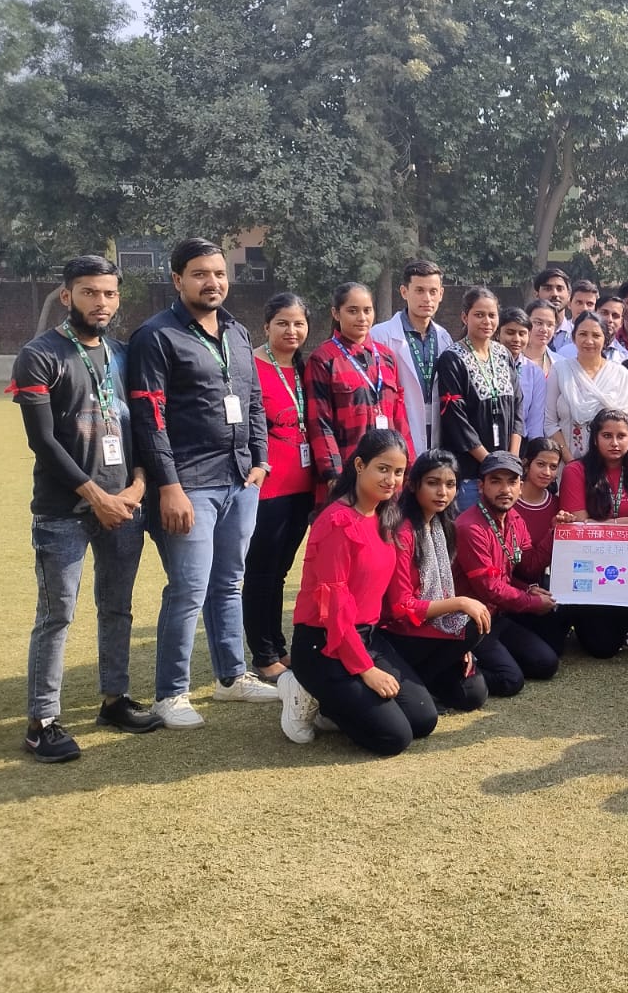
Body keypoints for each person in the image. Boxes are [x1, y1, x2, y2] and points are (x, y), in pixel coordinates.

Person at [11, 255, 160, 761]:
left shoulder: (122, 354)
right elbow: (44, 443)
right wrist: (95, 496)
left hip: (124, 506)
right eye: (90, 292)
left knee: (117, 607)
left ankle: (114, 700)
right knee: (57, 615)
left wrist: (137, 487)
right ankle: (42, 721)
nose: (101, 302)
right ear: (66, 295)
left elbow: (139, 429)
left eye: (109, 293)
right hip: (64, 511)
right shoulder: (40, 355)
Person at [127, 237, 278, 727]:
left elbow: (253, 400)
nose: (212, 282)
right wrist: (168, 486)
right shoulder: (157, 336)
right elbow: (150, 418)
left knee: (229, 583)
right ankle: (170, 694)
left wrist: (259, 461)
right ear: (177, 280)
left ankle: (231, 679)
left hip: (240, 480)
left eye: (218, 273)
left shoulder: (236, 331)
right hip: (189, 483)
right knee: (189, 588)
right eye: (199, 274)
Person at [277, 429, 437, 753]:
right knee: (394, 738)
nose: (391, 479)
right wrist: (366, 670)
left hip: (367, 636)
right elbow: (334, 609)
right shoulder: (337, 521)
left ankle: (334, 704)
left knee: (422, 720)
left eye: (398, 472)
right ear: (360, 465)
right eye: (383, 468)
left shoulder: (386, 516)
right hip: (324, 643)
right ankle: (301, 688)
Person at [377, 450, 493, 715]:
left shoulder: (443, 525)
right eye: (433, 483)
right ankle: (416, 680)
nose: (442, 492)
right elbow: (400, 606)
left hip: (429, 629)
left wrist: (459, 647)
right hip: (398, 631)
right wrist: (461, 606)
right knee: (475, 623)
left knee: (473, 694)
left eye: (450, 485)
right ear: (414, 484)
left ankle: (422, 678)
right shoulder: (403, 530)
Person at [243, 292, 317, 682]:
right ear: (267, 325)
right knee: (261, 570)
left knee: (281, 571)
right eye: (283, 323)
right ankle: (263, 653)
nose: (292, 330)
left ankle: (278, 646)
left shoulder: (306, 368)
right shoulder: (251, 366)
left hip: (303, 485)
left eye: (299, 323)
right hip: (267, 486)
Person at [556, 408, 628, 657]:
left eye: (622, 436)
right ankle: (576, 613)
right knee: (602, 648)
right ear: (595, 438)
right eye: (607, 435)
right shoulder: (576, 471)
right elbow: (581, 526)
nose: (615, 443)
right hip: (588, 565)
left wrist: (617, 524)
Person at [454, 452, 565, 695]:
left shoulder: (514, 518)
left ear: (520, 486)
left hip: (498, 616)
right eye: (496, 481)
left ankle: (485, 660)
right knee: (510, 681)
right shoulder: (469, 527)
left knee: (546, 663)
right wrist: (533, 602)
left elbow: (527, 566)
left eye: (512, 482)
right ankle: (450, 665)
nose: (505, 489)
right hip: (470, 622)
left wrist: (554, 532)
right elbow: (489, 587)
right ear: (481, 486)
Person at [306, 282, 416, 494]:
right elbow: (320, 424)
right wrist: (333, 474)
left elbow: (399, 415)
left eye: (367, 310)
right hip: (348, 473)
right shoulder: (323, 359)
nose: (362, 318)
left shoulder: (386, 357)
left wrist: (410, 466)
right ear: (336, 314)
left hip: (389, 475)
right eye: (352, 311)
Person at [437, 286, 524, 507]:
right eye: (479, 315)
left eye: (492, 315)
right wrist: (490, 463)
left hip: (505, 473)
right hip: (471, 472)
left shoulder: (502, 353)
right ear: (465, 317)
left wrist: (510, 461)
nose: (487, 321)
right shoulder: (452, 358)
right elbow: (456, 420)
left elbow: (517, 406)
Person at [372, 259, 453, 453]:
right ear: (404, 292)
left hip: (437, 432)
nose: (427, 298)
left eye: (433, 291)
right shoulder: (381, 335)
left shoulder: (444, 337)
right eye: (419, 290)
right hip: (398, 430)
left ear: (441, 294)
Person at [545, 311, 628, 460]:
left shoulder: (619, 374)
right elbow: (550, 423)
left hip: (612, 463)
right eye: (583, 334)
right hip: (568, 464)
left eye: (596, 335)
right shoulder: (560, 370)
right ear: (573, 337)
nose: (589, 341)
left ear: (605, 339)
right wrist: (570, 461)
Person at [513, 438, 562, 587]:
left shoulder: (557, 505)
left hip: (545, 587)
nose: (547, 472)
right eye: (541, 464)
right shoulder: (509, 503)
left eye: (553, 467)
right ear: (526, 464)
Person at [500, 305, 548, 453]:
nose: (516, 339)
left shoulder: (534, 372)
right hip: (491, 440)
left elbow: (536, 418)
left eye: (522, 334)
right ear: (497, 333)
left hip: (523, 446)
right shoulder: (486, 366)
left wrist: (534, 454)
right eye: (510, 332)